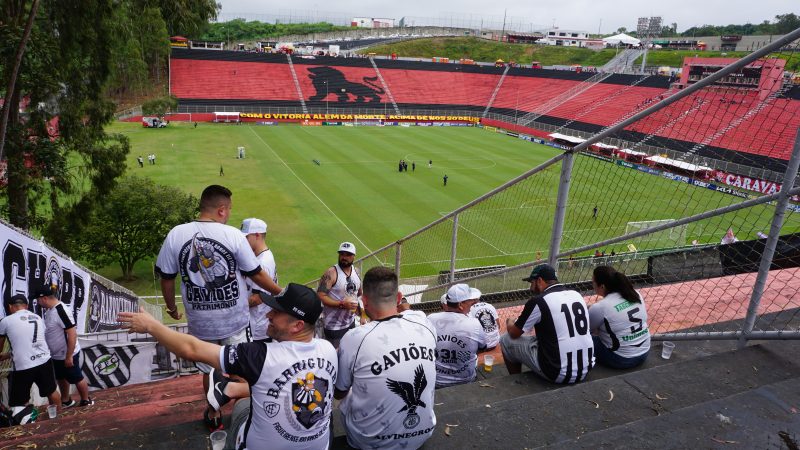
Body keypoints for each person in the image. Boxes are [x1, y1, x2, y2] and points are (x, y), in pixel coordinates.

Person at [120, 284, 336, 450]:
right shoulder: (329, 350)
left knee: (242, 408)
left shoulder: (260, 355)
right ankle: (235, 389)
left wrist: (150, 325)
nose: (268, 315)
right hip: (321, 444)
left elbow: (191, 349)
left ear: (297, 325)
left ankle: (234, 391)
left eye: (276, 313)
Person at [154, 184, 282, 430]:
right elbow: (256, 274)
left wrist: (171, 308)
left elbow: (167, 278)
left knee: (209, 371)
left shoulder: (175, 234)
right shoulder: (232, 235)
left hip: (200, 323)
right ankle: (245, 416)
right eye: (230, 209)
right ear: (222, 210)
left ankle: (213, 412)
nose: (230, 214)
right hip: (235, 320)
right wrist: (282, 293)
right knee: (242, 369)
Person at [335, 266, 438, 449]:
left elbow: (339, 392)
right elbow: (410, 312)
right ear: (398, 298)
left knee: (349, 392)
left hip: (369, 443)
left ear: (364, 302)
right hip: (422, 434)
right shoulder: (424, 324)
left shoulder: (354, 338)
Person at [500, 264, 595, 384]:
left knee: (505, 339)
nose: (531, 287)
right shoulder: (576, 295)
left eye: (532, 282)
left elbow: (514, 334)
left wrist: (510, 321)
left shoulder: (539, 301)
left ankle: (517, 382)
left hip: (557, 372)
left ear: (539, 280)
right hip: (585, 368)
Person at [0, 294, 61, 423]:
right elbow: (31, 342)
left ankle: (26, 423)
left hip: (23, 365)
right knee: (51, 391)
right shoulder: (38, 317)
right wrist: (10, 354)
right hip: (44, 360)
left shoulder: (6, 321)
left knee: (19, 400)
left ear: (11, 307)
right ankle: (58, 419)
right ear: (26, 306)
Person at [34, 287, 93, 407]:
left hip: (66, 353)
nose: (37, 302)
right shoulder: (50, 311)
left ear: (44, 298)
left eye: (38, 300)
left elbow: (71, 333)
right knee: (61, 377)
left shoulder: (60, 310)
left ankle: (86, 400)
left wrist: (69, 356)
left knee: (76, 377)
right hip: (57, 355)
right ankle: (66, 400)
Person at [589, 266, 650, 369]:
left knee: (583, 338)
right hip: (644, 353)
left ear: (602, 286)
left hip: (621, 359)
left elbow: (586, 329)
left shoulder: (600, 307)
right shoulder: (635, 294)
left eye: (593, 282)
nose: (592, 285)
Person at [428, 284, 487, 388]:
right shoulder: (474, 324)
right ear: (460, 305)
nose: (473, 303)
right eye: (470, 301)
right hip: (466, 380)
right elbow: (482, 348)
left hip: (436, 380)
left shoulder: (431, 318)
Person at [317, 242, 362, 348]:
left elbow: (359, 294)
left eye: (348, 254)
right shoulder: (331, 273)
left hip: (351, 322)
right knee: (337, 355)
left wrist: (362, 315)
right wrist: (341, 304)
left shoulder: (357, 272)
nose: (344, 257)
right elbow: (320, 295)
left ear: (354, 256)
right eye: (342, 254)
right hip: (334, 326)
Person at [241, 217, 277, 342]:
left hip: (258, 328)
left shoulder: (264, 262)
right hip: (255, 324)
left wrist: (233, 306)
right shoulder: (258, 257)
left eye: (246, 237)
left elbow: (257, 299)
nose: (243, 241)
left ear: (257, 235)